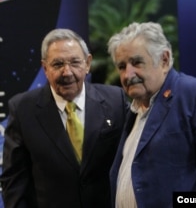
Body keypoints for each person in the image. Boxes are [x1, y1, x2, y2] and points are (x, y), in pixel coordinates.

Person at [107, 22, 196, 208]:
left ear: (164, 60)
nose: (128, 74)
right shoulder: (131, 113)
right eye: (122, 66)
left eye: (136, 63)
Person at [0, 29, 128, 208]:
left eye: (75, 62)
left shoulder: (116, 101)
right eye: (58, 64)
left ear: (88, 63)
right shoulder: (23, 109)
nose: (67, 72)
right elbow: (14, 181)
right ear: (45, 68)